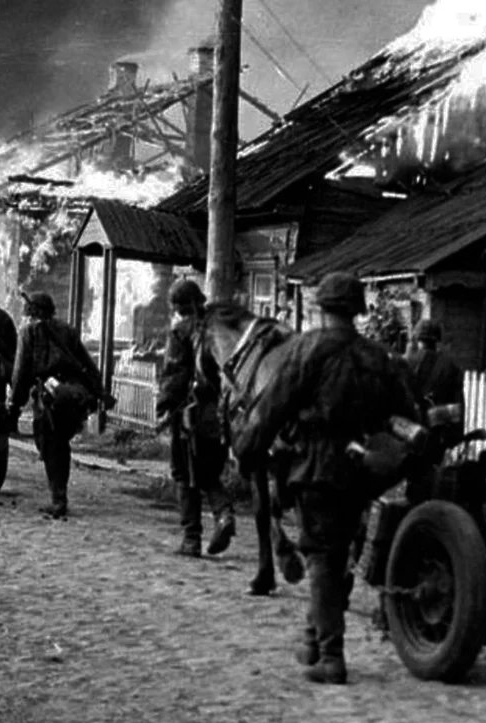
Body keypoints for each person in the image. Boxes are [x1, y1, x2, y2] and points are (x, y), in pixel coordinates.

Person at [235, 272, 417, 685]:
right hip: (361, 468)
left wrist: (247, 448)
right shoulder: (377, 356)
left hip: (315, 465)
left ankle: (331, 656)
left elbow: (271, 408)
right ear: (357, 310)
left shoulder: (307, 349)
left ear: (322, 307)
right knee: (336, 554)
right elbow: (406, 413)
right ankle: (314, 638)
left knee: (320, 556)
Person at [9, 292, 112, 519]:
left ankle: (58, 499)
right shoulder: (67, 330)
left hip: (48, 397)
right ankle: (59, 495)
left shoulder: (28, 332)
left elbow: (20, 371)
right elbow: (86, 363)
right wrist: (100, 392)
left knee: (49, 443)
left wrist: (14, 404)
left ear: (31, 312)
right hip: (71, 395)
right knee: (60, 444)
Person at [156, 278, 235, 558]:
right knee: (210, 472)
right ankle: (224, 514)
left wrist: (164, 408)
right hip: (221, 414)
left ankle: (191, 539)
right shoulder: (221, 329)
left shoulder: (180, 331)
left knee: (184, 474)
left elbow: (175, 374)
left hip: (191, 414)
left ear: (178, 306)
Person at [406, 319, 465, 463]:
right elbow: (456, 411)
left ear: (417, 338)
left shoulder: (405, 363)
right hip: (435, 438)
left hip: (406, 435)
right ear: (437, 340)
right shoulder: (451, 368)